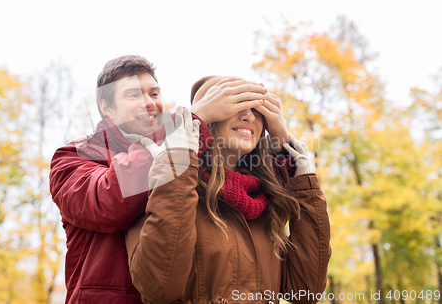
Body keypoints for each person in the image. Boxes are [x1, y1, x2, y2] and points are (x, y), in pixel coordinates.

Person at [49, 57, 280, 304]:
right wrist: (194, 118)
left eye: (154, 93)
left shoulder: (186, 151)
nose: (149, 103)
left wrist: (282, 142)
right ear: (106, 107)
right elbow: (110, 202)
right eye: (134, 95)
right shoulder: (74, 156)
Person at [126, 76, 331, 304]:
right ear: (208, 117)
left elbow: (305, 292)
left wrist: (298, 174)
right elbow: (159, 289)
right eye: (236, 104)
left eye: (257, 110)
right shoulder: (167, 182)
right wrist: (179, 157)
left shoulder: (269, 202)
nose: (248, 116)